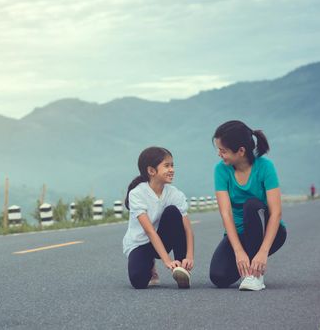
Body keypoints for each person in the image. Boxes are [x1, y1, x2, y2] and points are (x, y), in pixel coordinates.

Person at [209, 120, 287, 291]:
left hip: (268, 232)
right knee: (219, 277)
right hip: (239, 234)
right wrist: (238, 251)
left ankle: (256, 275)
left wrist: (263, 252)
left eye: (223, 151)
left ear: (241, 151)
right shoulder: (221, 170)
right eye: (218, 150)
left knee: (251, 205)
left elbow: (276, 213)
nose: (219, 155)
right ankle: (248, 265)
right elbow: (226, 213)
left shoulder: (265, 167)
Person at [123, 146, 194, 289]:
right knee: (139, 282)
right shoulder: (137, 194)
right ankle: (150, 266)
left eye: (172, 165)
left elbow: (187, 229)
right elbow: (149, 231)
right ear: (151, 171)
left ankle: (181, 269)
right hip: (141, 243)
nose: (172, 170)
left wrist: (189, 256)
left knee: (173, 212)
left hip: (163, 239)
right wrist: (167, 261)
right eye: (166, 166)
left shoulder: (175, 194)